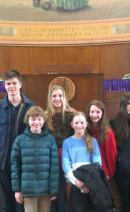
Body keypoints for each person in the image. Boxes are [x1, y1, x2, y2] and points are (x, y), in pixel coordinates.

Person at [0, 70, 35, 212]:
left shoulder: (31, 107)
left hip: (23, 163)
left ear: (20, 84)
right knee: (6, 203)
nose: (11, 86)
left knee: (22, 202)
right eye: (8, 84)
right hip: (3, 163)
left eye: (14, 83)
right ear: (4, 86)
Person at [11, 106, 59, 212]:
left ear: (43, 120)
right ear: (27, 120)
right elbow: (15, 167)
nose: (36, 122)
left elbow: (54, 167)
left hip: (46, 190)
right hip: (28, 190)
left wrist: (53, 190)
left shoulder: (50, 139)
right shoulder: (19, 140)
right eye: (33, 119)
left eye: (39, 119)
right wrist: (17, 190)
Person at [62, 112, 113, 212]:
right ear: (72, 124)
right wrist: (78, 183)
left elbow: (97, 163)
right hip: (75, 184)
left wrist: (88, 182)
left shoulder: (93, 141)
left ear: (86, 124)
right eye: (76, 123)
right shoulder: (67, 142)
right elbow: (66, 164)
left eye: (82, 123)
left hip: (91, 182)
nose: (79, 125)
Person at [46, 84, 75, 212]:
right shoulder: (46, 115)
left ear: (64, 98)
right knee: (54, 188)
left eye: (60, 96)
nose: (57, 98)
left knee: (68, 189)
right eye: (54, 96)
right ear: (50, 98)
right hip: (51, 156)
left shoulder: (72, 114)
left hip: (68, 156)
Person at [86, 100, 117, 180]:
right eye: (92, 112)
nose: (94, 115)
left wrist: (109, 173)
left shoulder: (108, 133)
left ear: (102, 114)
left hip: (102, 172)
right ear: (88, 113)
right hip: (86, 171)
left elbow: (111, 155)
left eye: (98, 112)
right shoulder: (84, 130)